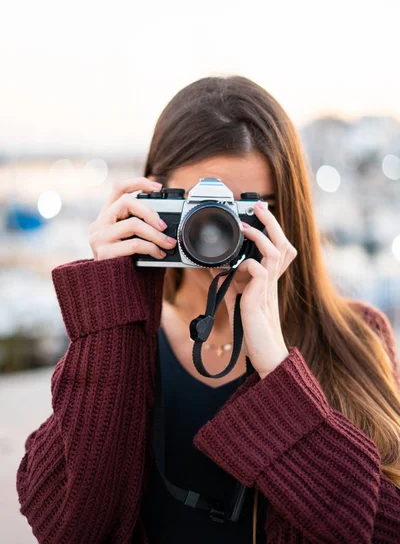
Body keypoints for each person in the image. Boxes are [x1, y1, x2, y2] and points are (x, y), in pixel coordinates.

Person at [16, 76, 400, 544]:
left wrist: (278, 366)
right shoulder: (122, 338)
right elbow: (67, 529)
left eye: (248, 210)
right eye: (201, 208)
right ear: (154, 201)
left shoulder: (358, 335)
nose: (219, 234)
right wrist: (111, 309)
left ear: (288, 212)